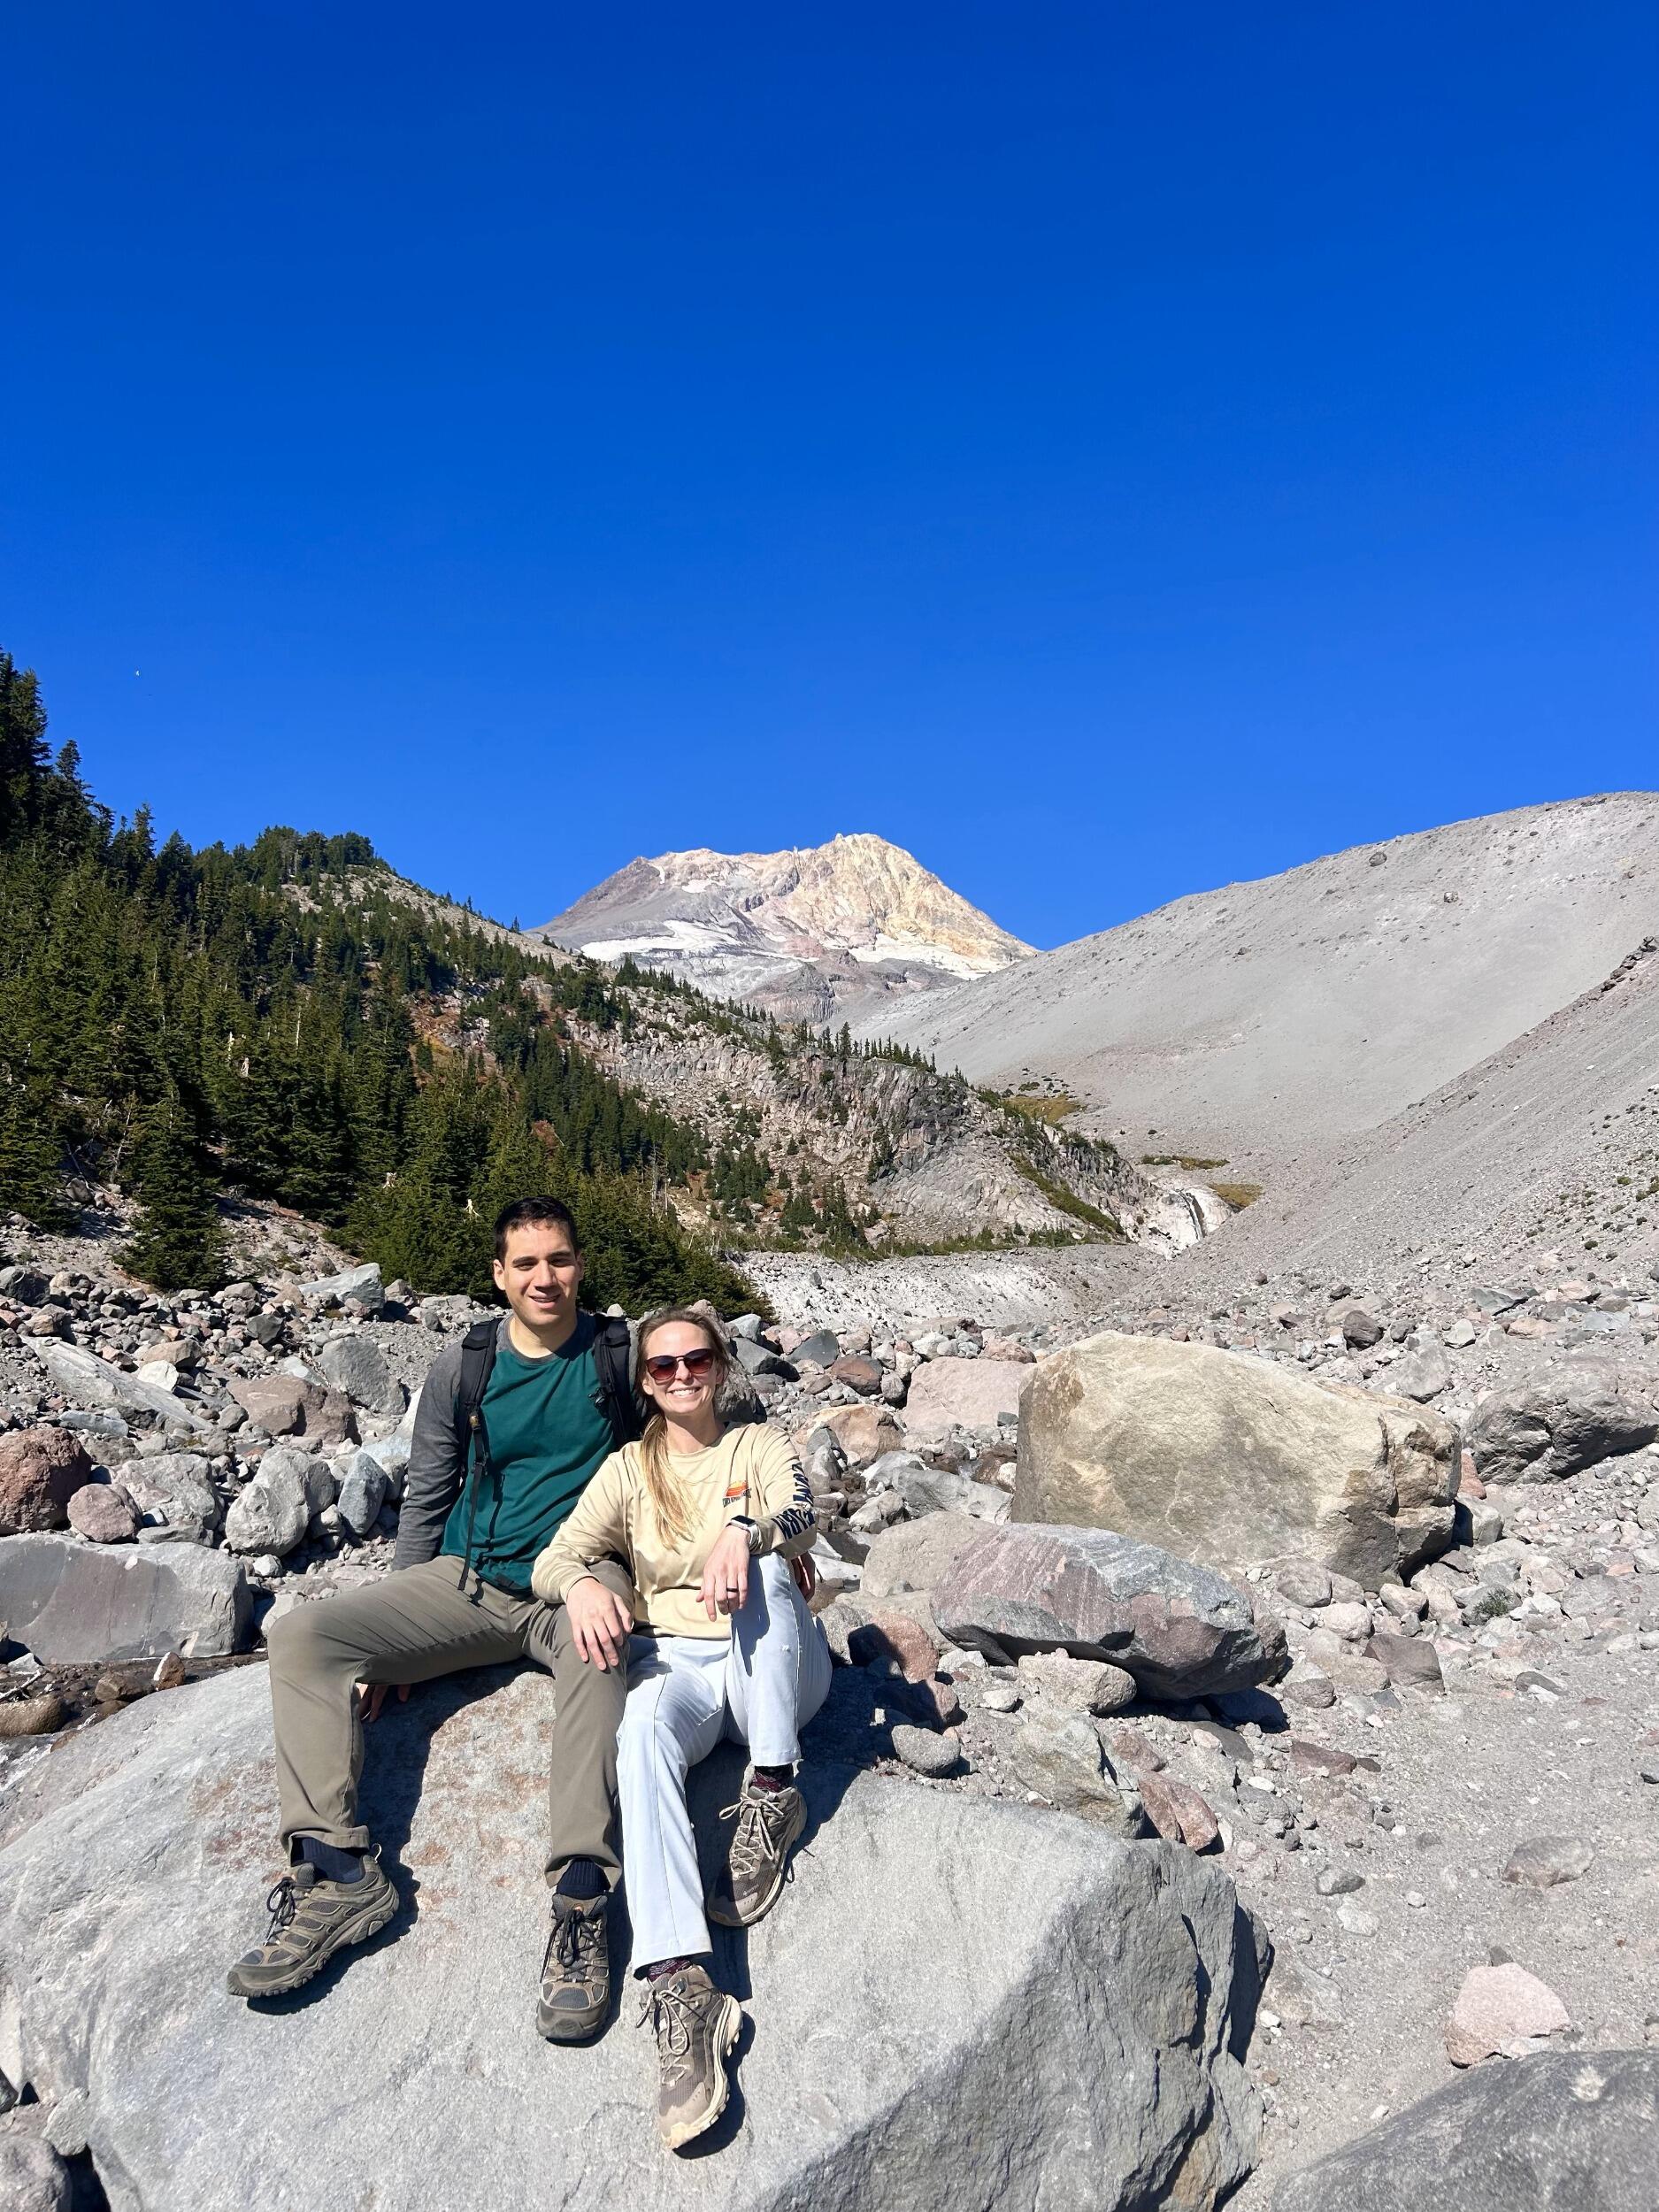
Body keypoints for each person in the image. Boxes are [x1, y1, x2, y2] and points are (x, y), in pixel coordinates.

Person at [227, 1195, 641, 2047]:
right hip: (469, 1579)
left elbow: (685, 1449)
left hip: (575, 1582)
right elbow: (428, 1489)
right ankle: (339, 1872)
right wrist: (393, 1641)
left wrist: (737, 1542)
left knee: (602, 1654)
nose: (544, 1278)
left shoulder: (618, 1355)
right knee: (304, 1635)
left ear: (579, 1265)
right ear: (498, 1275)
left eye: (558, 1260)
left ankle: (582, 1894)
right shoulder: (469, 1361)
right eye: (525, 1264)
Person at [533, 1306, 829, 2153]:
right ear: (646, 1382)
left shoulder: (756, 1447)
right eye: (660, 1367)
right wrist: (585, 1587)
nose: (679, 1376)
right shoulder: (629, 1470)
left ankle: (773, 1790)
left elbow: (805, 1515)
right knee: (639, 1731)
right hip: (682, 1666)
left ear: (722, 1366)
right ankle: (679, 1980)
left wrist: (749, 1533)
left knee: (766, 1572)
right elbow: (554, 1555)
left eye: (695, 1359)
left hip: (772, 1663)